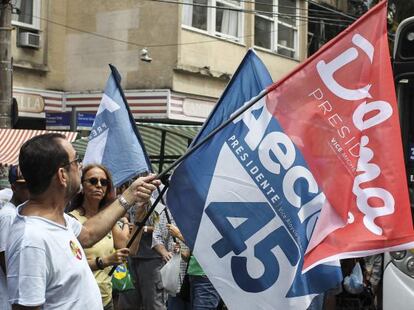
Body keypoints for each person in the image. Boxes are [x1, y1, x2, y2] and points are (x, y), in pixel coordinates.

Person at [5, 133, 159, 310]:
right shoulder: (31, 240)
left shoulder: (57, 219)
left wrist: (130, 195)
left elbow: (88, 234)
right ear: (62, 175)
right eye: (76, 161)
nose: (81, 166)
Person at [68, 164, 131, 310]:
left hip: (106, 299)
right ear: (82, 186)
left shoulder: (108, 221)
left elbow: (127, 248)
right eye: (93, 181)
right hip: (81, 300)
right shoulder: (72, 220)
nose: (99, 185)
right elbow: (71, 264)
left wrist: (140, 215)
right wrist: (106, 261)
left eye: (104, 182)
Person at [0, 165, 29, 310]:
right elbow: (5, 259)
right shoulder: (8, 215)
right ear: (14, 187)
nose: (29, 189)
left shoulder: (18, 213)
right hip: (9, 298)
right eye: (24, 185)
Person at [152, 207, 190, 310]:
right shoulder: (166, 212)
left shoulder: (198, 212)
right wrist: (164, 252)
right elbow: (156, 236)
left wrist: (178, 235)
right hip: (174, 273)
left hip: (195, 273)